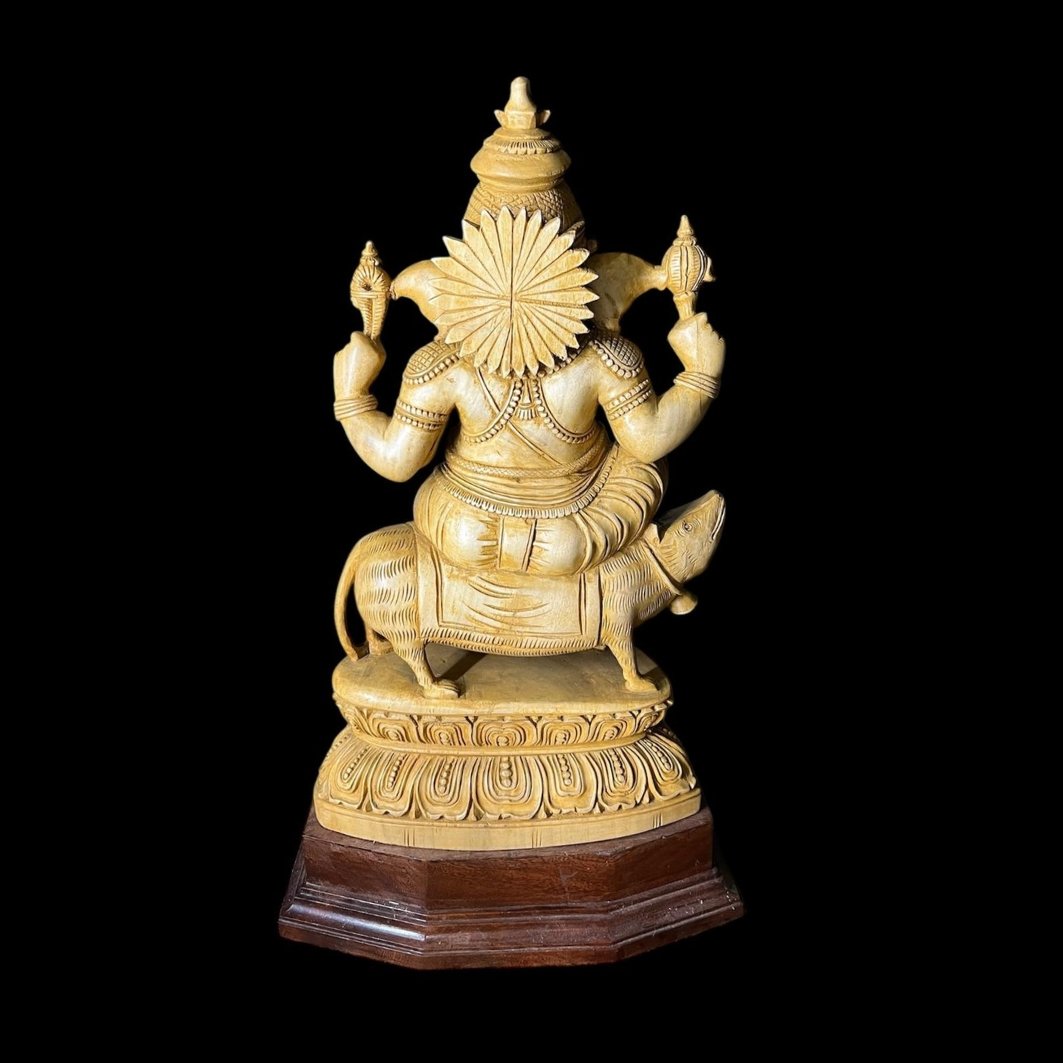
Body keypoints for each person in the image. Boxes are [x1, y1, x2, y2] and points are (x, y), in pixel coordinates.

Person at [332, 78, 724, 578]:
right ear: (581, 259)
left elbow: (396, 461)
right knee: (643, 471)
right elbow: (648, 440)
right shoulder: (604, 358)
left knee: (450, 520)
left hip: (464, 529)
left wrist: (353, 394)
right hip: (571, 533)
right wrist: (699, 374)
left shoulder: (443, 363)